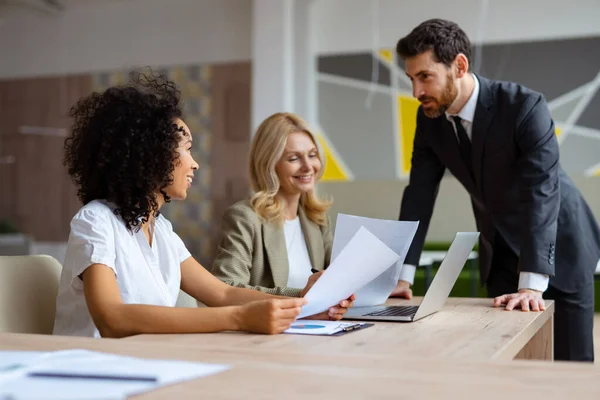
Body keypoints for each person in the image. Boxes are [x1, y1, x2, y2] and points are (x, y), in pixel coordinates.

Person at [53, 74, 351, 339]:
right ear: (150, 155)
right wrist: (240, 318)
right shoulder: (95, 221)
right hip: (96, 373)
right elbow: (112, 319)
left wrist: (302, 306)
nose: (194, 163)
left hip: (151, 364)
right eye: (186, 150)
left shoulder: (163, 232)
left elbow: (221, 292)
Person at [392, 19, 600, 362]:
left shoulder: (524, 107)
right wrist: (402, 275)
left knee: (569, 369)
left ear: (459, 66)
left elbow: (541, 191)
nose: (416, 92)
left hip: (560, 249)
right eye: (411, 79)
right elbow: (418, 194)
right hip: (501, 252)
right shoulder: (428, 120)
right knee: (508, 367)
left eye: (425, 77)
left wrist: (532, 283)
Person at [211, 112, 342, 305]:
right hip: (269, 331)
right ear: (269, 164)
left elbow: (341, 275)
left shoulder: (316, 219)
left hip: (315, 327)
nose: (308, 166)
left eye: (312, 155)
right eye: (294, 158)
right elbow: (225, 286)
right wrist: (298, 296)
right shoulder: (244, 217)